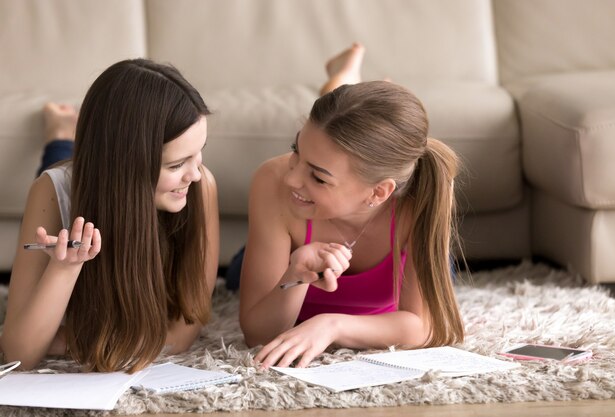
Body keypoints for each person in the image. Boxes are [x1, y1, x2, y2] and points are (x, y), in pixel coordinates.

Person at [238, 43, 464, 368]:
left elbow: (423, 327)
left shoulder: (424, 197)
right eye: (295, 151)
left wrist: (332, 325)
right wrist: (295, 275)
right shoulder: (273, 181)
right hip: (281, 259)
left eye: (318, 177)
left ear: (379, 193)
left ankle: (353, 82)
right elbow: (257, 333)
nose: (292, 179)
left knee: (446, 272)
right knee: (236, 273)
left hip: (398, 244)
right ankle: (344, 81)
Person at [0, 59, 219, 372]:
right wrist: (63, 269)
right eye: (176, 165)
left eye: (199, 153)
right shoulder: (50, 192)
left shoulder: (201, 186)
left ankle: (63, 137)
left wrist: (71, 340)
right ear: (127, 166)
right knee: (61, 169)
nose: (195, 174)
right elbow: (19, 354)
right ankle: (60, 135)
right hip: (86, 186)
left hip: (99, 177)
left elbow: (182, 335)